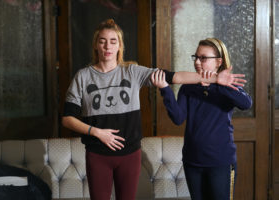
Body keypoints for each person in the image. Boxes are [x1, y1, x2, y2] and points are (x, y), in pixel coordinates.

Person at [62, 19, 246, 200]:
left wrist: (216, 80)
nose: (107, 46)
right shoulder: (83, 77)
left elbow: (174, 76)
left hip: (132, 153)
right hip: (98, 152)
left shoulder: (132, 72)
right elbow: (67, 118)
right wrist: (97, 132)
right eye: (102, 41)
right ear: (95, 45)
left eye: (113, 41)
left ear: (120, 46)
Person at [151, 38, 252, 200]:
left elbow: (246, 103)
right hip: (192, 161)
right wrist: (165, 89)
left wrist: (219, 84)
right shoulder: (188, 87)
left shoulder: (227, 83)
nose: (197, 62)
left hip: (221, 162)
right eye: (196, 57)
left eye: (203, 58)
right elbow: (178, 118)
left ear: (218, 61)